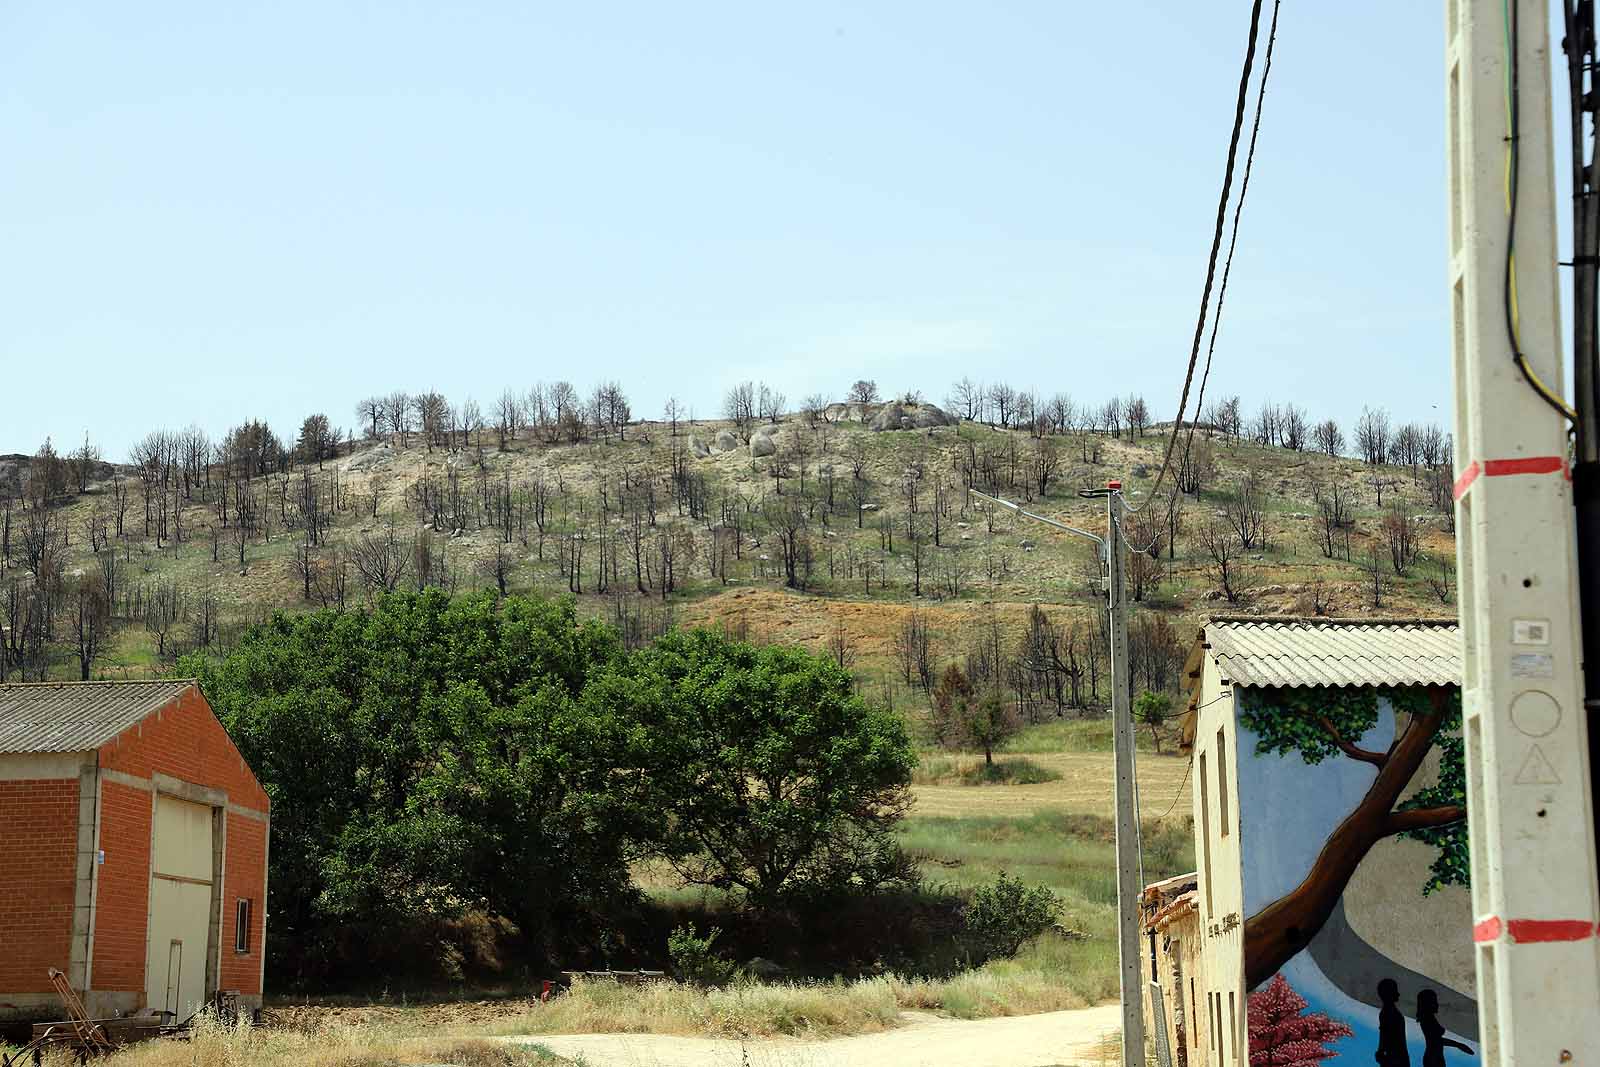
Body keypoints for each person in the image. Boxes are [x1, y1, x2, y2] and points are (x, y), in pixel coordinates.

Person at [1416, 989, 1474, 1066]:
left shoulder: (1429, 1018)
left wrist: (1458, 1045)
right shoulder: (1427, 1019)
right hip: (1433, 1057)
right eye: (1434, 1002)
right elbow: (1436, 1040)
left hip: (1435, 1056)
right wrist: (1458, 1044)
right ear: (1428, 1004)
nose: (1437, 1004)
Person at [1376, 978, 1411, 1067]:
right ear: (1389, 993)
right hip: (1396, 1059)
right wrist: (1381, 1052)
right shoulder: (1388, 1012)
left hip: (1397, 1058)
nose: (1398, 994)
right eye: (1395, 991)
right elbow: (1384, 1034)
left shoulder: (1388, 1011)